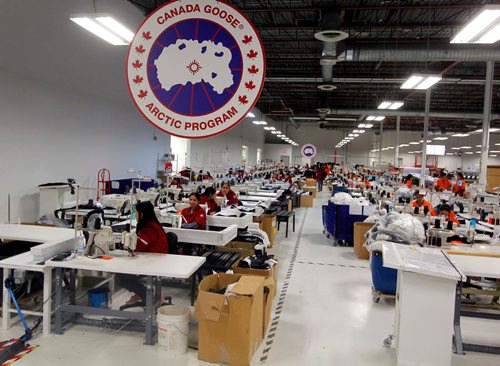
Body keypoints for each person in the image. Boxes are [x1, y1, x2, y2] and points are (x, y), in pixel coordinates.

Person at [120, 201, 168, 306]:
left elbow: (138, 246)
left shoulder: (149, 229)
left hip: (154, 262)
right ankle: (142, 293)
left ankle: (147, 295)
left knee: (123, 276)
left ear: (142, 214)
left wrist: (123, 243)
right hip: (156, 259)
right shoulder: (153, 224)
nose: (135, 215)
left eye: (136, 212)